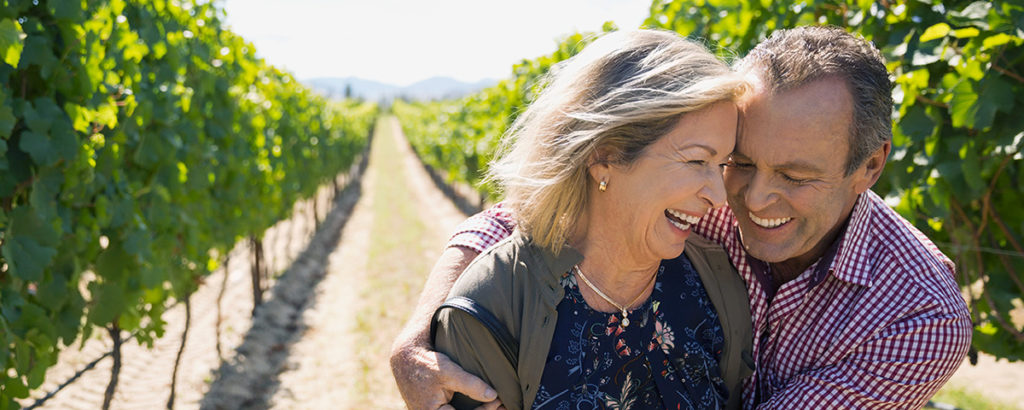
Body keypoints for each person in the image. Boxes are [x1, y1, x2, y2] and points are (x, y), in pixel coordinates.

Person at [391, 26, 973, 409]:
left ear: (870, 165)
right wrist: (427, 326)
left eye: (796, 177)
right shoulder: (698, 202)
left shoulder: (917, 314)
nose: (747, 199)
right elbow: (540, 210)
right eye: (738, 160)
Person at [426, 29, 753, 410]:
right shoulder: (493, 308)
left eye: (722, 164)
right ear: (604, 157)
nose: (717, 195)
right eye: (697, 161)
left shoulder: (718, 285)